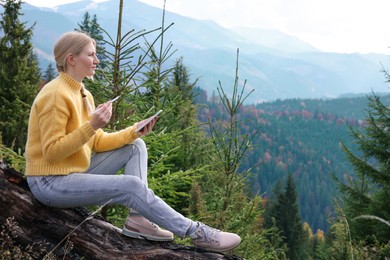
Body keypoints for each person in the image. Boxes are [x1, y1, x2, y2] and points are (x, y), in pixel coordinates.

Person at [25, 31, 241, 252]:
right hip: (49, 182)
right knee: (130, 187)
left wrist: (134, 131)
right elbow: (51, 152)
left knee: (135, 146)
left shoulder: (83, 93)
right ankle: (195, 232)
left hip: (70, 171)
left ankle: (139, 220)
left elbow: (96, 142)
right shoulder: (55, 95)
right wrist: (92, 125)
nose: (97, 61)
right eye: (91, 55)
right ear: (71, 59)